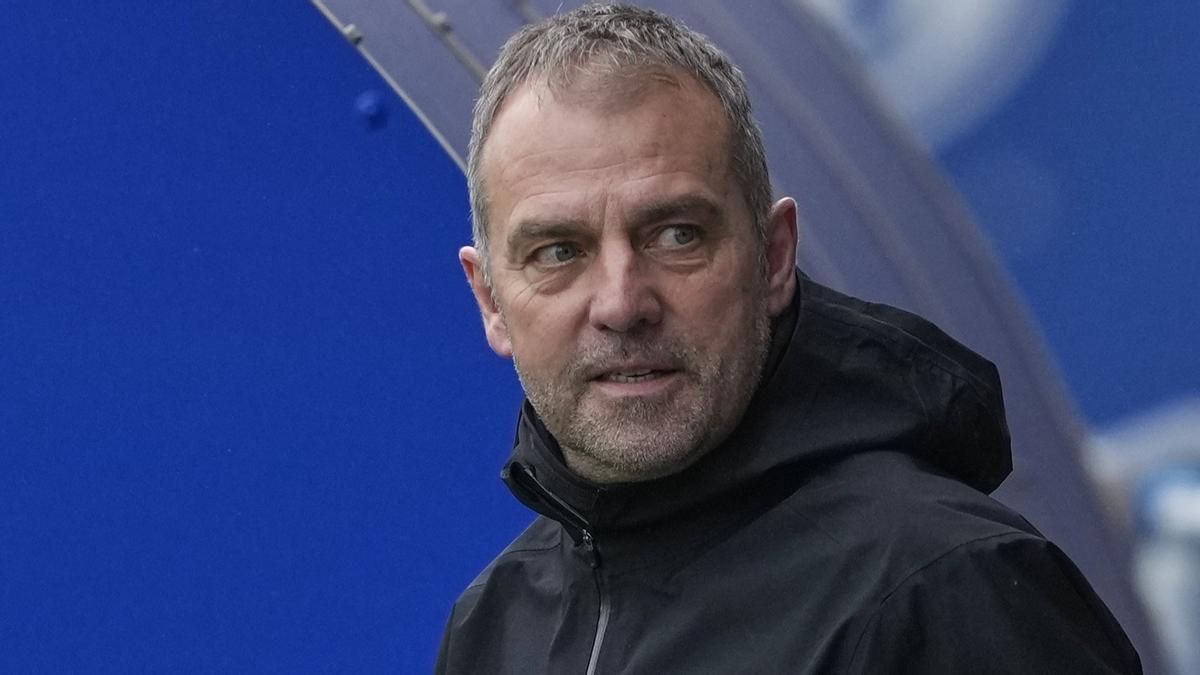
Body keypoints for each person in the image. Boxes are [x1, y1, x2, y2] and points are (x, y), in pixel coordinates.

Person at [438, 4, 1142, 673]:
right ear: (490, 300)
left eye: (677, 236)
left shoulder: (946, 588)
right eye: (559, 252)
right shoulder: (492, 625)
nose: (622, 304)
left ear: (774, 257)